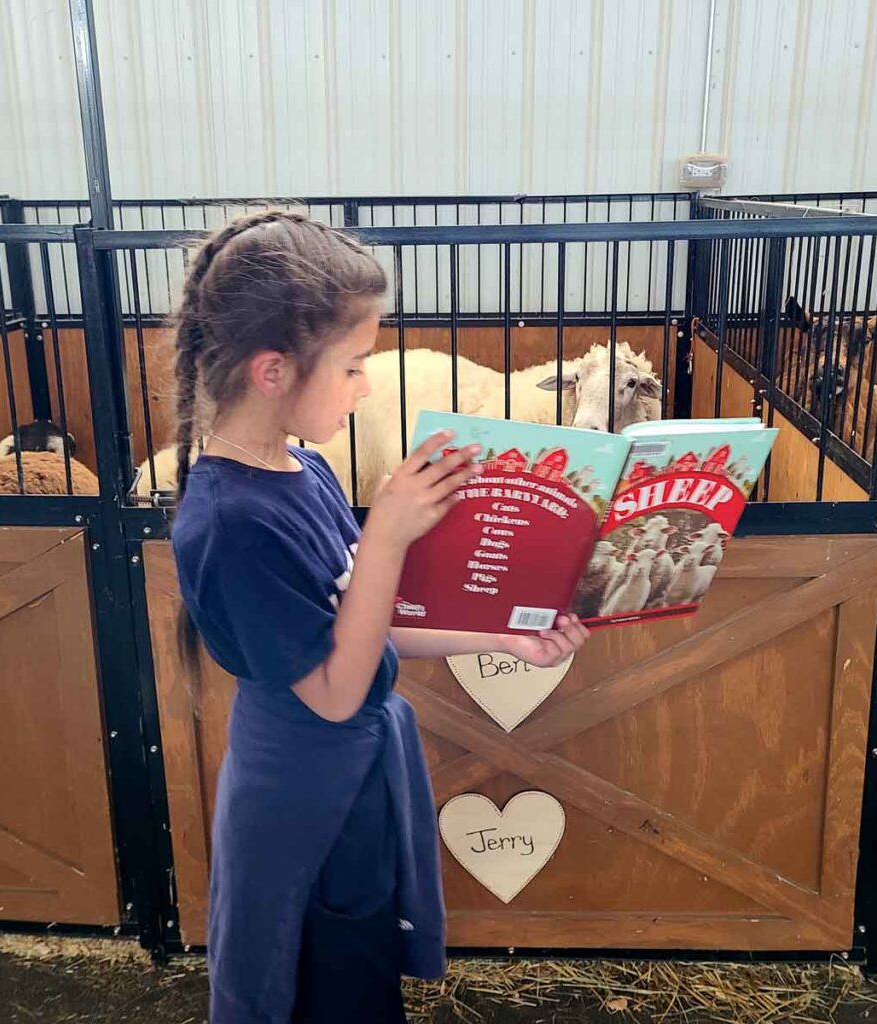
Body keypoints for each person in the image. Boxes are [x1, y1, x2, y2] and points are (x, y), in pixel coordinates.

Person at [169, 210, 590, 1023]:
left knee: (360, 973)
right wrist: (391, 529)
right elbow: (331, 690)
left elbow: (369, 620)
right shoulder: (230, 522)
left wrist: (503, 637)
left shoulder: (304, 467)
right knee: (319, 985)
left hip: (352, 780)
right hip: (301, 800)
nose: (366, 387)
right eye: (355, 365)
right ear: (271, 371)